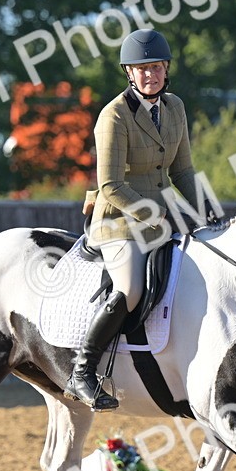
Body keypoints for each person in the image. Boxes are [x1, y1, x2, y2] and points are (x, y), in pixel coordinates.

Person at [65, 29, 202, 410]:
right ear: (129, 72)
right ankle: (83, 370)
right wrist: (155, 213)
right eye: (142, 69)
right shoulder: (114, 115)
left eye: (156, 67)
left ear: (166, 69)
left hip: (165, 215)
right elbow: (110, 185)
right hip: (119, 221)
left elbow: (183, 170)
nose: (150, 75)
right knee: (131, 288)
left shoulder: (175, 107)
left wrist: (207, 212)